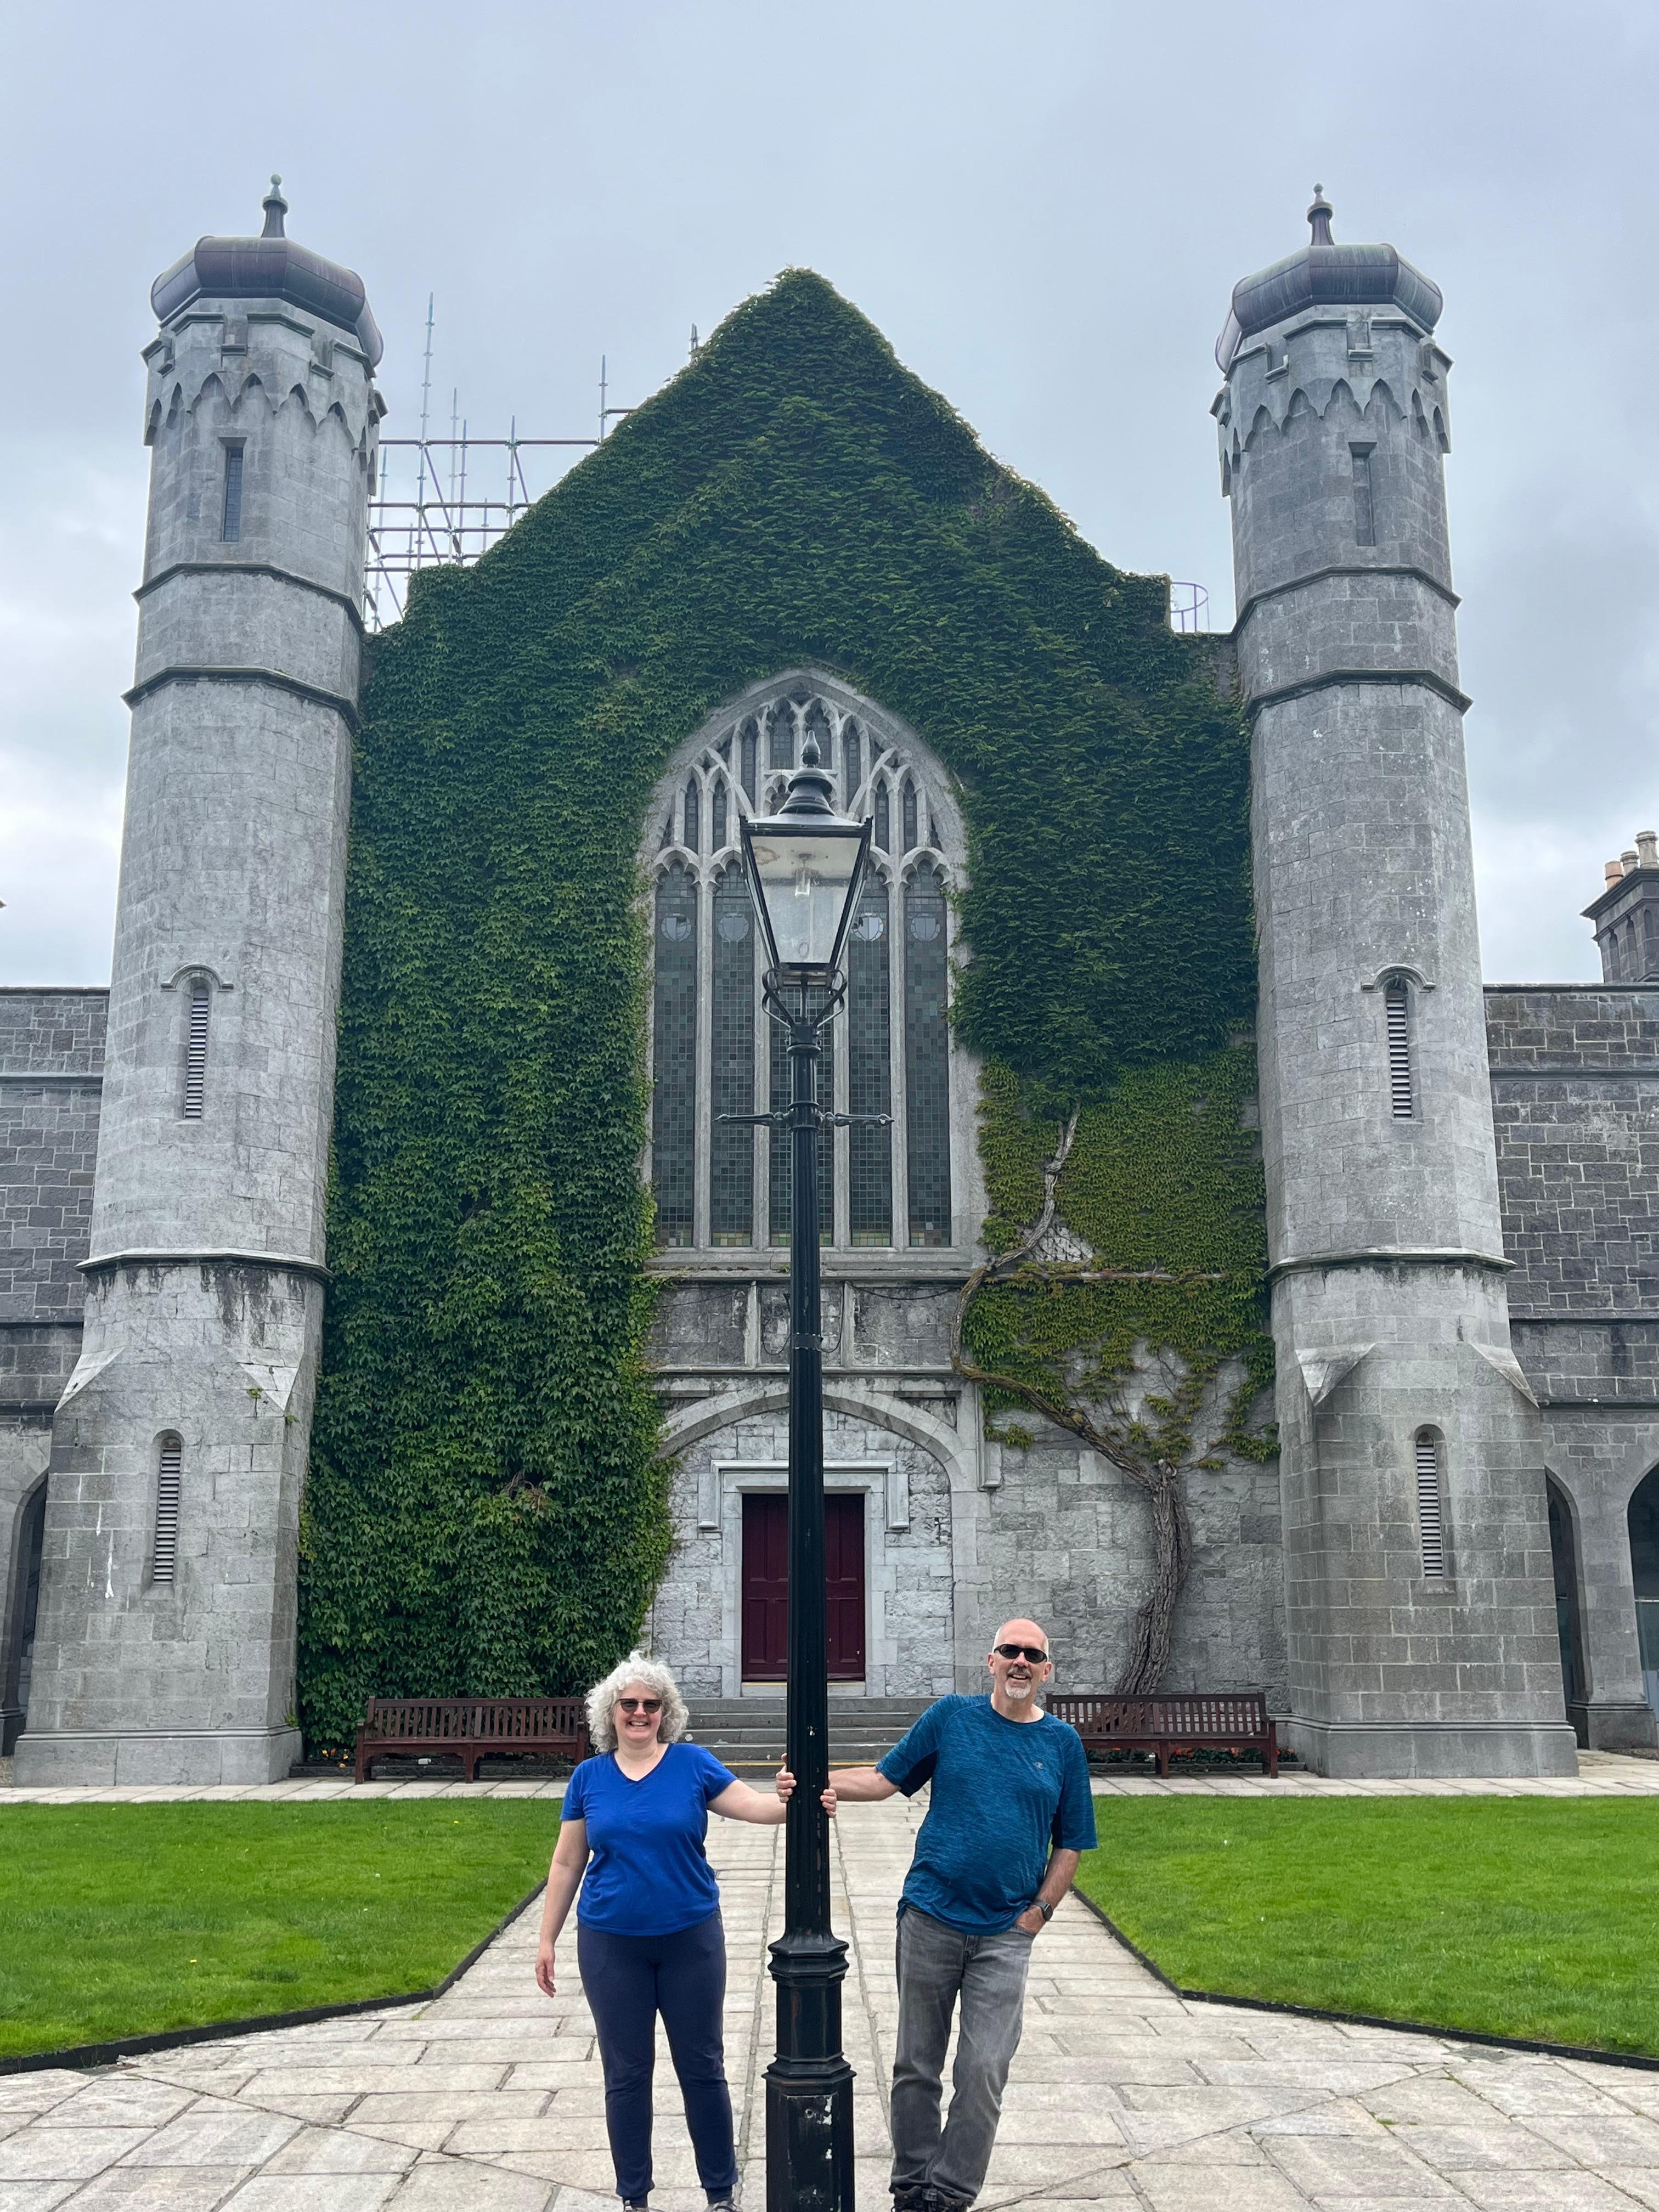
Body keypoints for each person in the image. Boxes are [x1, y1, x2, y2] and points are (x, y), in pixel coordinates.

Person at [826, 1619, 1097, 2212]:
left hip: (1005, 1933)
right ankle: (912, 2189)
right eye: (1010, 1651)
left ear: (1046, 1670)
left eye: (1033, 1655)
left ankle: (949, 2194)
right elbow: (883, 1779)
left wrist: (1038, 1914)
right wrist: (817, 1780)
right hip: (931, 1917)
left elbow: (1073, 1842)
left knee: (984, 2068)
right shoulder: (952, 1718)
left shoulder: (1061, 1744)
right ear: (991, 1661)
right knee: (916, 2066)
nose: (1021, 1661)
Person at [536, 1651, 804, 2211]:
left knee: (702, 2067)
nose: (640, 1713)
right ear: (610, 1712)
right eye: (629, 1704)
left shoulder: (692, 1764)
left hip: (690, 1939)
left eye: (651, 1705)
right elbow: (567, 1862)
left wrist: (791, 1796)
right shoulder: (589, 1778)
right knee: (626, 2074)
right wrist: (546, 1939)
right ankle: (634, 2196)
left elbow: (756, 1807)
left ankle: (720, 2194)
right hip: (611, 1944)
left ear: (666, 1712)